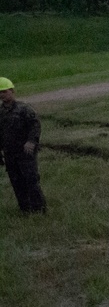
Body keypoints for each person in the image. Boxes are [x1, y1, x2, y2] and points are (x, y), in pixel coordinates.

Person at [0, 78, 46, 214]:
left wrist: (31, 141)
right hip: (10, 153)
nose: (2, 95)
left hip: (25, 152)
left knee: (31, 180)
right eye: (0, 92)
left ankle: (39, 208)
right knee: (16, 181)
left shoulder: (24, 109)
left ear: (12, 91)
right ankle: (25, 209)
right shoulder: (0, 113)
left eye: (4, 91)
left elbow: (35, 126)